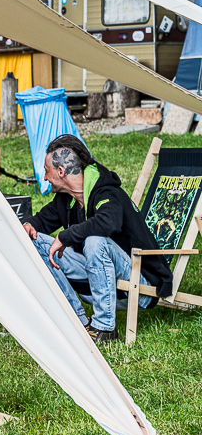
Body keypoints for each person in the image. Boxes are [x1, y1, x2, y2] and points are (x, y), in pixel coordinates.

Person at [24, 135, 171, 343]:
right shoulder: (67, 198)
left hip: (140, 284)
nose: (45, 177)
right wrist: (29, 225)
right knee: (34, 241)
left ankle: (104, 328)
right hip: (99, 281)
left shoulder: (106, 191)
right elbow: (41, 220)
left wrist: (65, 237)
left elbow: (108, 222)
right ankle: (78, 322)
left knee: (95, 240)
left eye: (47, 171)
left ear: (61, 171)